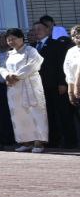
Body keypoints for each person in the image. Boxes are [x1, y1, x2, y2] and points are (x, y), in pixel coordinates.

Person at [0, 28, 48, 153]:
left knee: (35, 113)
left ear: (21, 38)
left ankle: (38, 142)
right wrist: (7, 76)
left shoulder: (30, 50)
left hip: (30, 86)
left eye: (13, 39)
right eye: (9, 40)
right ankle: (25, 141)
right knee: (19, 115)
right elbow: (2, 67)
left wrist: (15, 76)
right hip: (14, 88)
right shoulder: (9, 54)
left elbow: (33, 64)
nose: (11, 42)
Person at [32, 21, 75, 149]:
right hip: (40, 87)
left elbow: (62, 65)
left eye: (39, 29)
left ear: (48, 31)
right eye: (34, 29)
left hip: (56, 85)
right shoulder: (32, 47)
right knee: (48, 114)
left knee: (63, 114)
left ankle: (70, 141)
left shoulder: (56, 44)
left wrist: (62, 83)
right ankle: (53, 140)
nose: (36, 32)